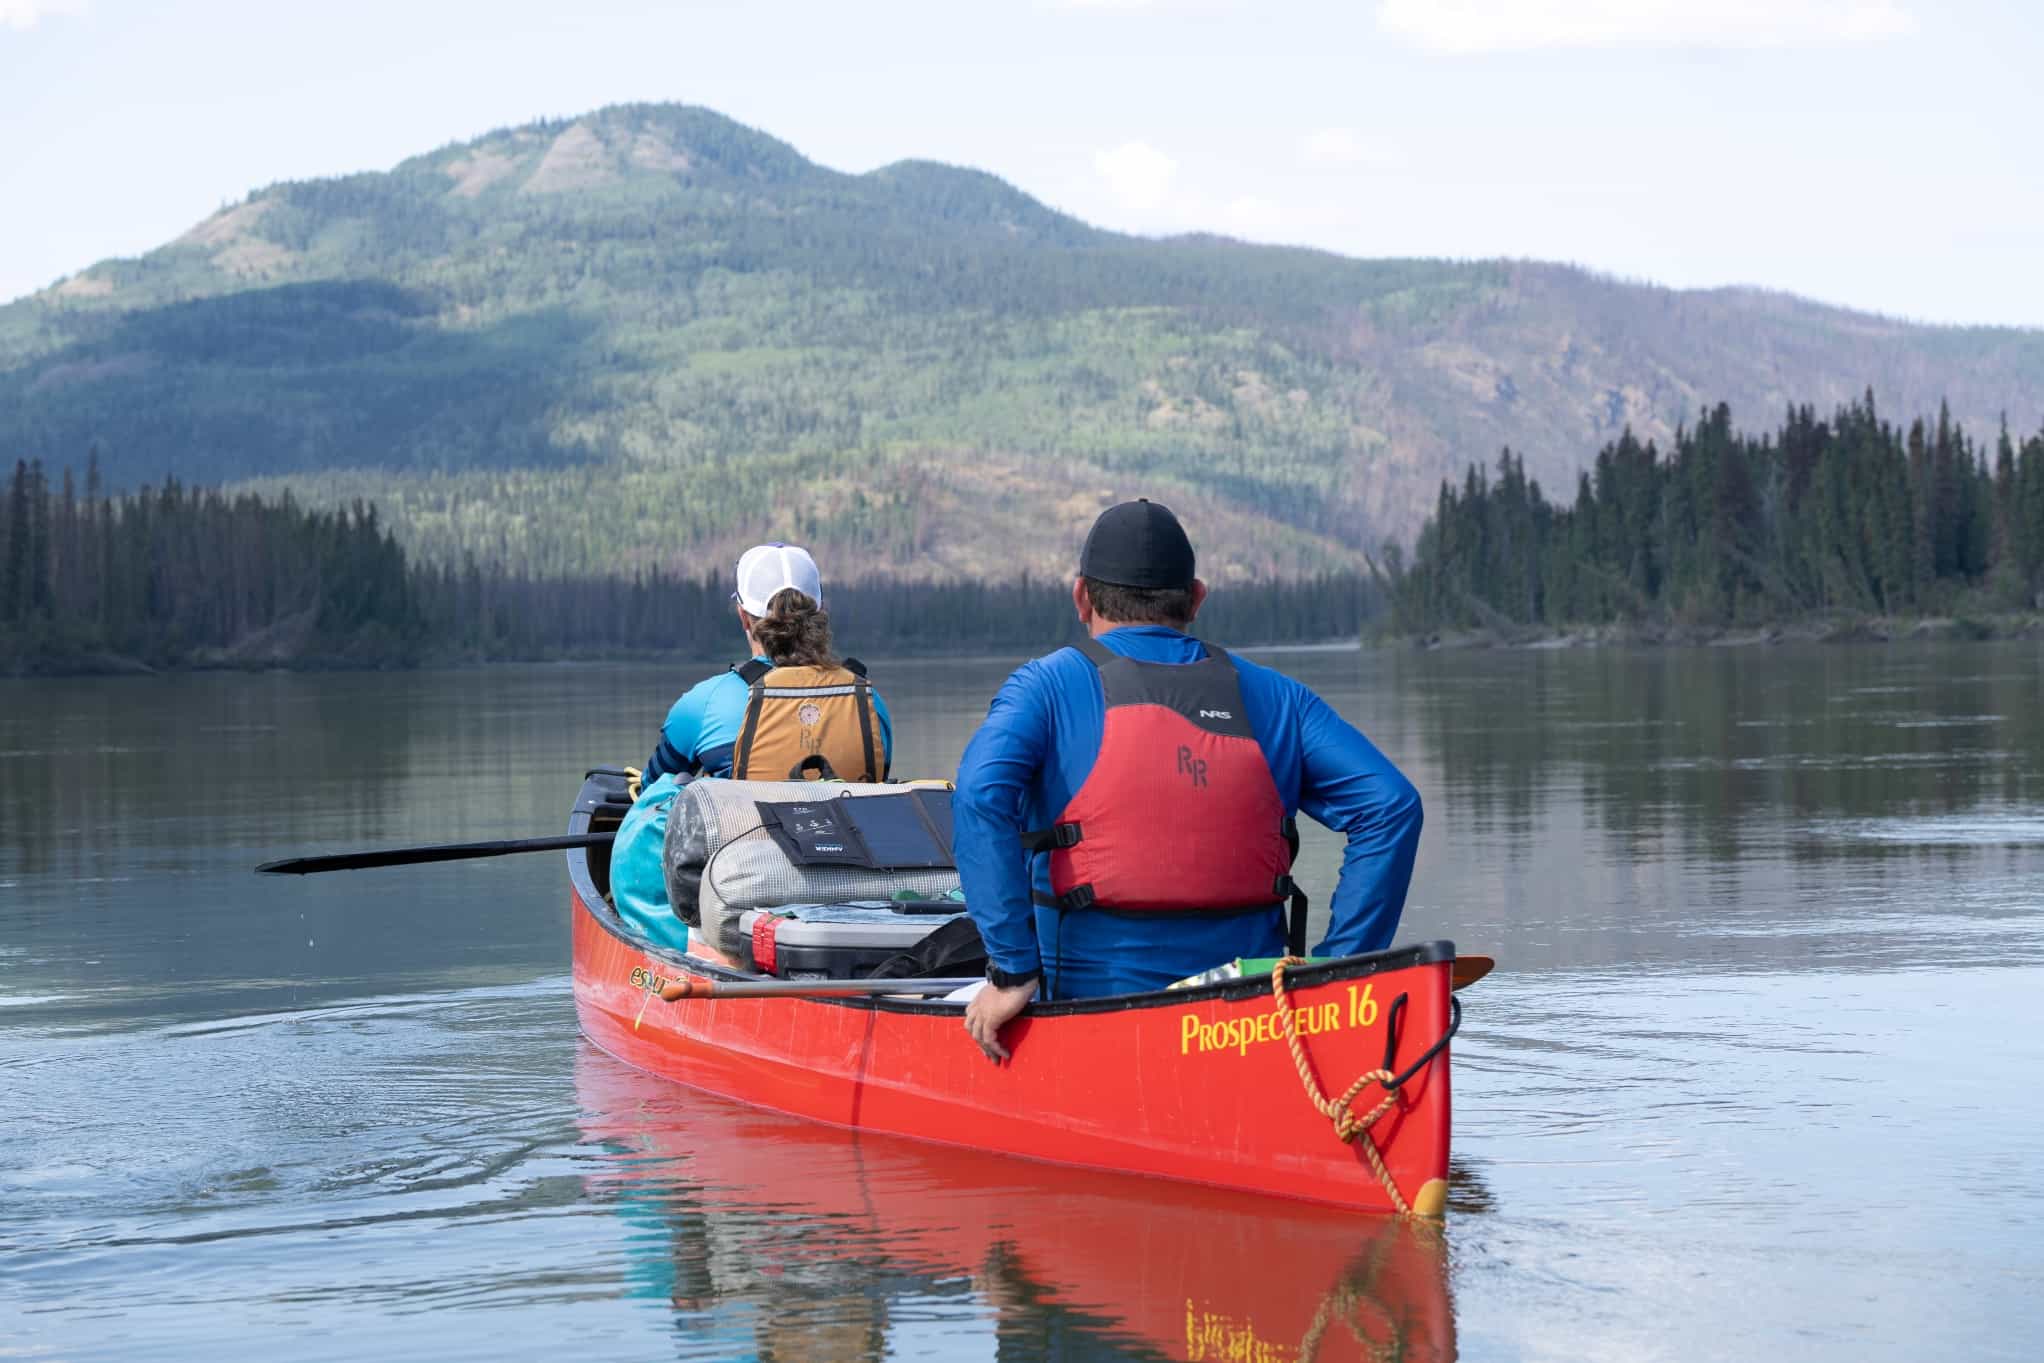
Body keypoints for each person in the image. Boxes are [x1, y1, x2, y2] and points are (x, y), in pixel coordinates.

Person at [952, 500, 1423, 1060]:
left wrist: (1011, 973)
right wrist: (1338, 974)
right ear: (1196, 598)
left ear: (1082, 597)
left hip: (1087, 1011)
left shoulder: (1045, 688)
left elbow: (981, 798)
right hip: (1252, 1020)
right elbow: (1392, 807)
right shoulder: (1277, 697)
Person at [609, 543, 896, 949]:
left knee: (661, 797)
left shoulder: (707, 702)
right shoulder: (869, 701)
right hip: (846, 882)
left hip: (745, 885)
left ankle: (686, 944)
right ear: (820, 611)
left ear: (744, 616)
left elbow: (657, 777)